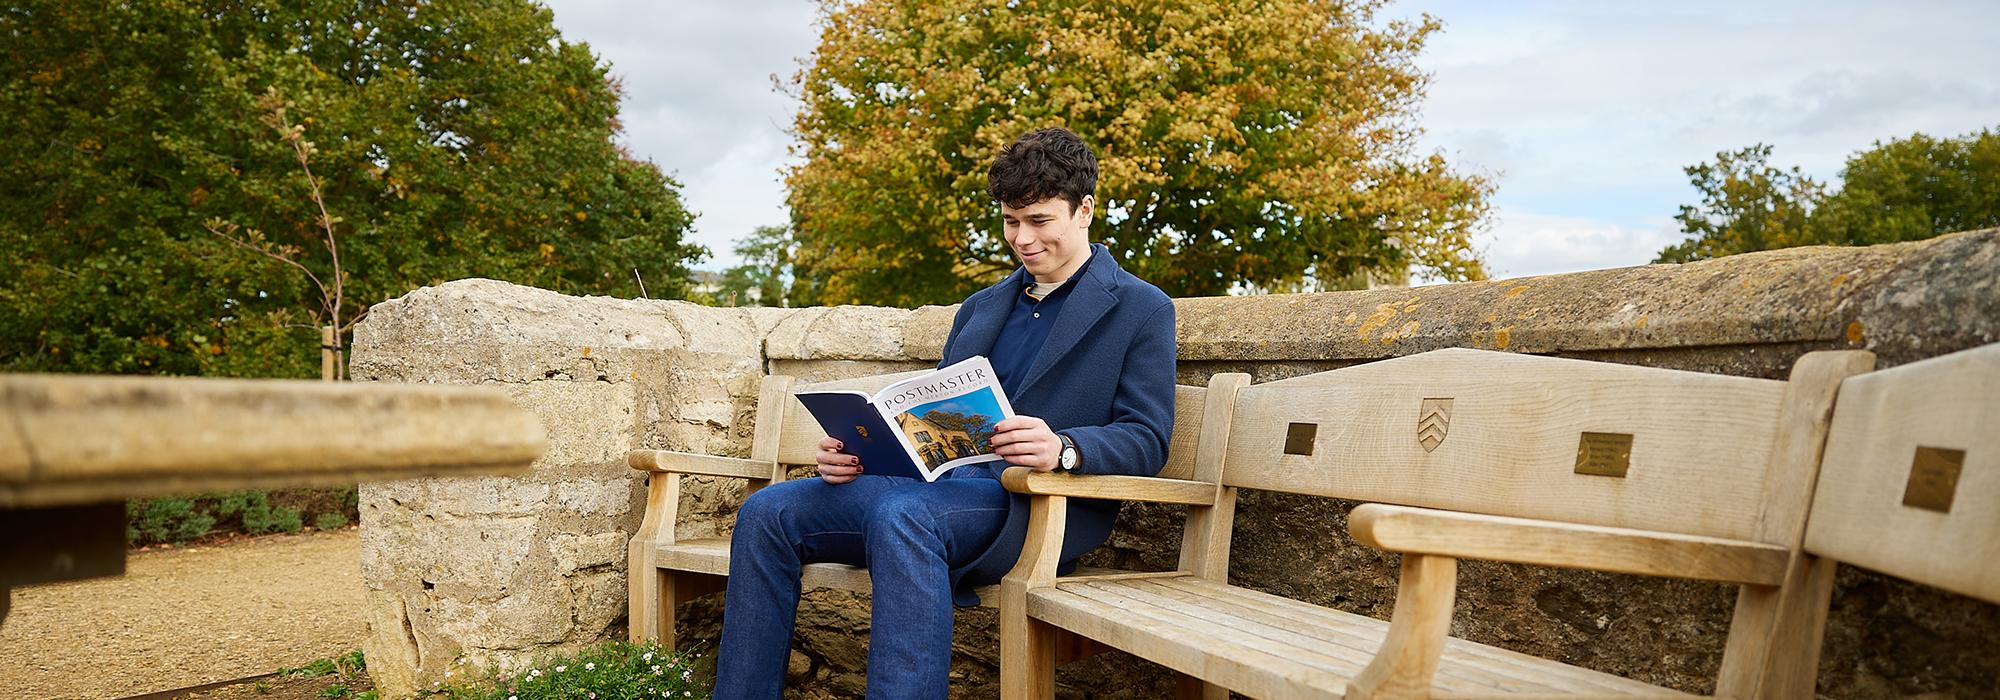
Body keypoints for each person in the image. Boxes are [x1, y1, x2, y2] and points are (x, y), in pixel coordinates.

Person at [714, 127, 1178, 699]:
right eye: (1011, 222)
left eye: (1039, 221)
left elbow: (1148, 437)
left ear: (1084, 210)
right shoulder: (979, 308)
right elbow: (931, 418)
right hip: (934, 490)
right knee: (767, 513)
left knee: (905, 517)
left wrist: (1063, 447)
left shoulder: (1141, 308)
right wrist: (859, 448)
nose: (1023, 239)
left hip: (1029, 504)